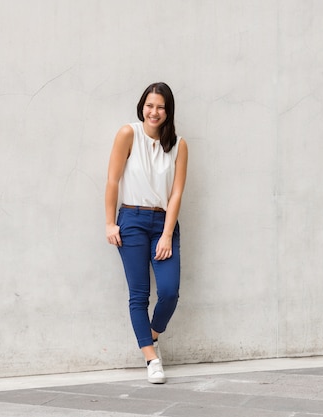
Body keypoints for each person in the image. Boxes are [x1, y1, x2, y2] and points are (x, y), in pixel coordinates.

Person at [104, 82, 188, 384]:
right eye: (149, 105)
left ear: (168, 111)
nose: (154, 112)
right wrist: (110, 222)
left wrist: (167, 234)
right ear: (142, 106)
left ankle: (151, 335)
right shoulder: (128, 134)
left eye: (161, 107)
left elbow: (177, 193)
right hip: (131, 220)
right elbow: (113, 180)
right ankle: (151, 358)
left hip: (163, 223)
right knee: (138, 294)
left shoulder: (179, 145)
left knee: (168, 292)